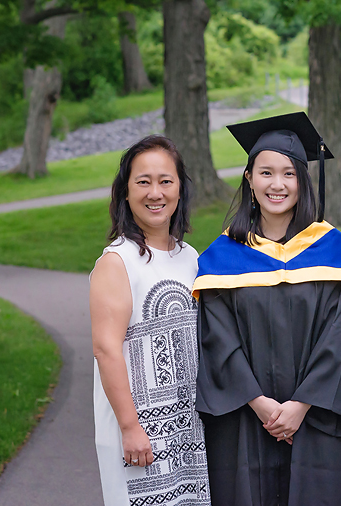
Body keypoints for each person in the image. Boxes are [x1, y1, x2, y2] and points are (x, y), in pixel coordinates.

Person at [192, 112, 341, 506]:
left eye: (289, 174)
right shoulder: (222, 256)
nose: (277, 184)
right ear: (249, 178)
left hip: (316, 417)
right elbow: (218, 340)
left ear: (302, 180)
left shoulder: (330, 250)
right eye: (265, 173)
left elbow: (340, 336)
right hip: (244, 418)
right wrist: (261, 405)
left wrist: (298, 406)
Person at [89, 135, 210, 506]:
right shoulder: (117, 261)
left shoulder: (190, 256)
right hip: (140, 430)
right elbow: (106, 350)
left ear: (179, 190)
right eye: (143, 182)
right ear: (125, 192)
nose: (155, 193)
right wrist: (130, 428)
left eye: (165, 181)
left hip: (188, 427)